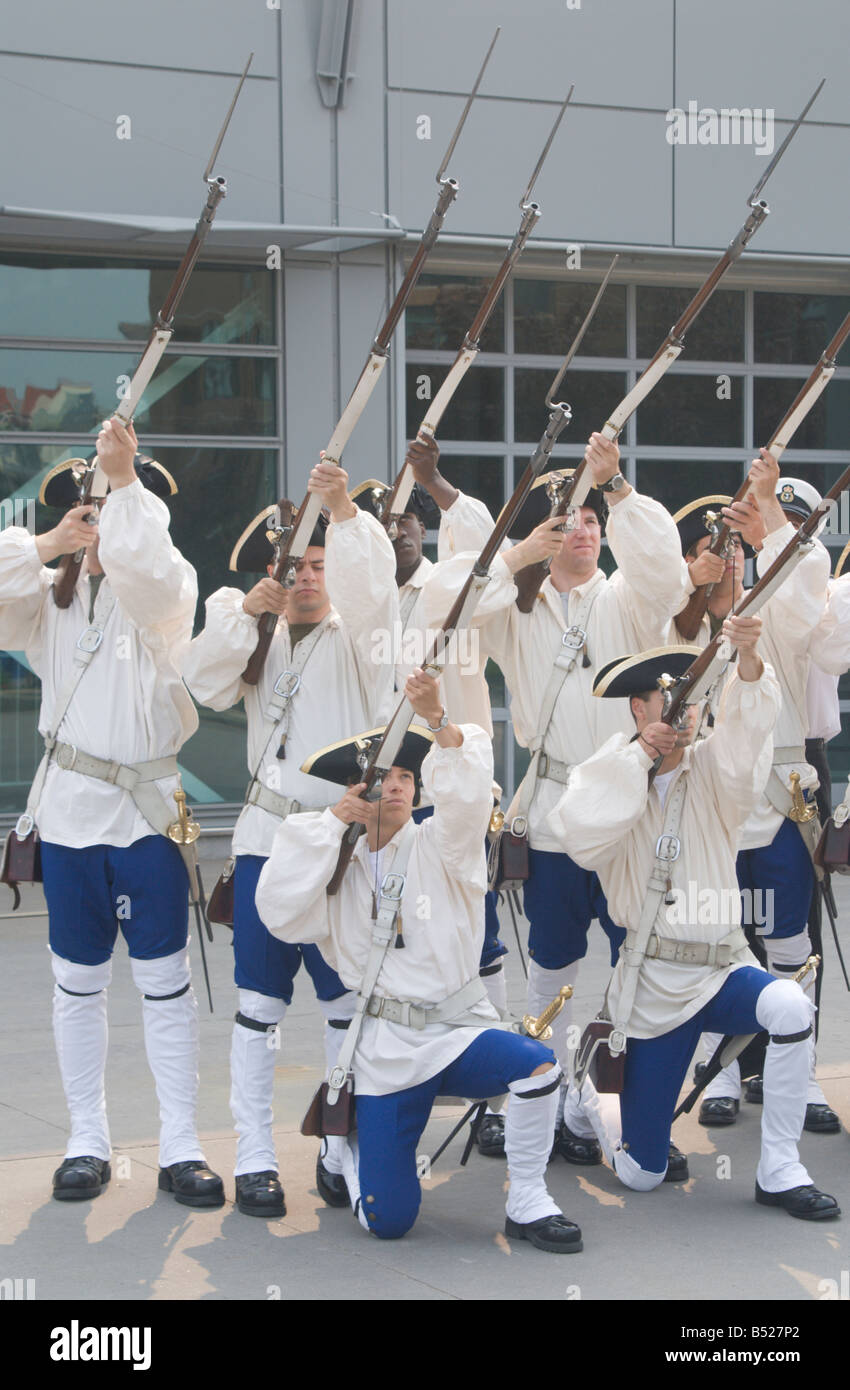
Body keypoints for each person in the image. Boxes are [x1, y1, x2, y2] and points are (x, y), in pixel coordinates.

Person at [423, 435, 689, 1162]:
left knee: (640, 964)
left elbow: (667, 578)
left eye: (592, 522)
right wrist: (513, 559)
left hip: (627, 811)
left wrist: (621, 490)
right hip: (550, 817)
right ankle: (559, 1099)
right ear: (546, 532)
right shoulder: (517, 604)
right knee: (552, 968)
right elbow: (441, 616)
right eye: (568, 522)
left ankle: (639, 1118)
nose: (584, 532)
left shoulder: (628, 599)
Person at [254, 668, 582, 1252]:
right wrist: (334, 824)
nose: (400, 786)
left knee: (539, 1069)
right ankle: (350, 1149)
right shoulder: (330, 856)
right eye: (386, 777)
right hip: (383, 1047)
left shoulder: (444, 843)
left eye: (408, 775)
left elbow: (467, 795)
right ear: (356, 791)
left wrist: (437, 720)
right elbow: (278, 910)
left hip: (456, 1031)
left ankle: (529, 1199)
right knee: (389, 1223)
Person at [0, 417, 223, 1207]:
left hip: (145, 819)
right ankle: (86, 1140)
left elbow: (153, 572)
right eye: (86, 513)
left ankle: (181, 1144)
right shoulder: (44, 605)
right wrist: (46, 544)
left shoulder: (165, 594)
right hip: (67, 818)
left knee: (164, 982)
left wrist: (125, 481)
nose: (100, 528)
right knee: (76, 983)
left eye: (114, 513)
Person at [548, 629, 840, 1221]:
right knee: (643, 1174)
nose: (686, 715)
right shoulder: (610, 772)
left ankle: (780, 1169)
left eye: (695, 702)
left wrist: (752, 662)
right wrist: (639, 756)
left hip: (725, 969)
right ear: (639, 709)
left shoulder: (714, 770)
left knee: (790, 1006)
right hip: (654, 983)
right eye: (670, 703)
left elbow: (746, 736)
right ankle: (586, 1091)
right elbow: (578, 833)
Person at [181, 458, 398, 1217]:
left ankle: (340, 1153)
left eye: (319, 563)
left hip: (340, 844)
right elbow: (201, 685)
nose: (308, 577)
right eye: (295, 564)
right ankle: (256, 1159)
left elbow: (377, 597)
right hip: (266, 840)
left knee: (346, 1008)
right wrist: (247, 612)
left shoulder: (362, 633)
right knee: (259, 1007)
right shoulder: (253, 629)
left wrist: (341, 511)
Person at [354, 435, 509, 1156]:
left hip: (448, 790)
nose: (402, 524)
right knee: (384, 942)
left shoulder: (458, 589)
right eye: (389, 519)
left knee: (481, 943)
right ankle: (379, 1081)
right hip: (385, 803)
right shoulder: (361, 606)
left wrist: (437, 481)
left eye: (415, 515)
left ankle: (500, 1090)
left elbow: (490, 555)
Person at [672, 458, 838, 1134]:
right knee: (718, 932)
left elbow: (803, 585)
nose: (775, 539)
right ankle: (717, 1063)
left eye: (794, 528)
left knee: (791, 938)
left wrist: (774, 526)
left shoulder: (805, 608)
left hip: (785, 794)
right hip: (714, 795)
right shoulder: (686, 618)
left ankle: (798, 1073)